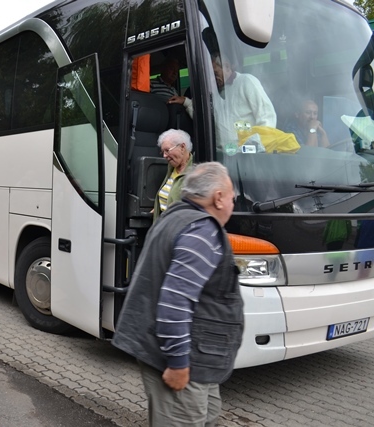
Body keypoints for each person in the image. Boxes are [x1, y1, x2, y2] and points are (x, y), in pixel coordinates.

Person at [112, 162, 244, 427]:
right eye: (233, 197)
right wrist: (178, 363)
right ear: (218, 198)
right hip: (184, 359)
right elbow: (175, 302)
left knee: (207, 416)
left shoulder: (175, 215)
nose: (233, 202)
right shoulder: (202, 232)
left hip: (199, 358)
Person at [211, 53, 276, 145]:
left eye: (215, 73)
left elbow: (267, 116)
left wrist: (257, 145)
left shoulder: (246, 81)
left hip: (248, 151)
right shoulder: (215, 93)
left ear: (227, 67)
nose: (213, 78)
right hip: (222, 152)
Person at [152, 129, 193, 221]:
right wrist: (159, 207)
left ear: (182, 147)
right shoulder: (171, 168)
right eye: (163, 152)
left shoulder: (195, 172)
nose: (164, 156)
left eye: (167, 150)